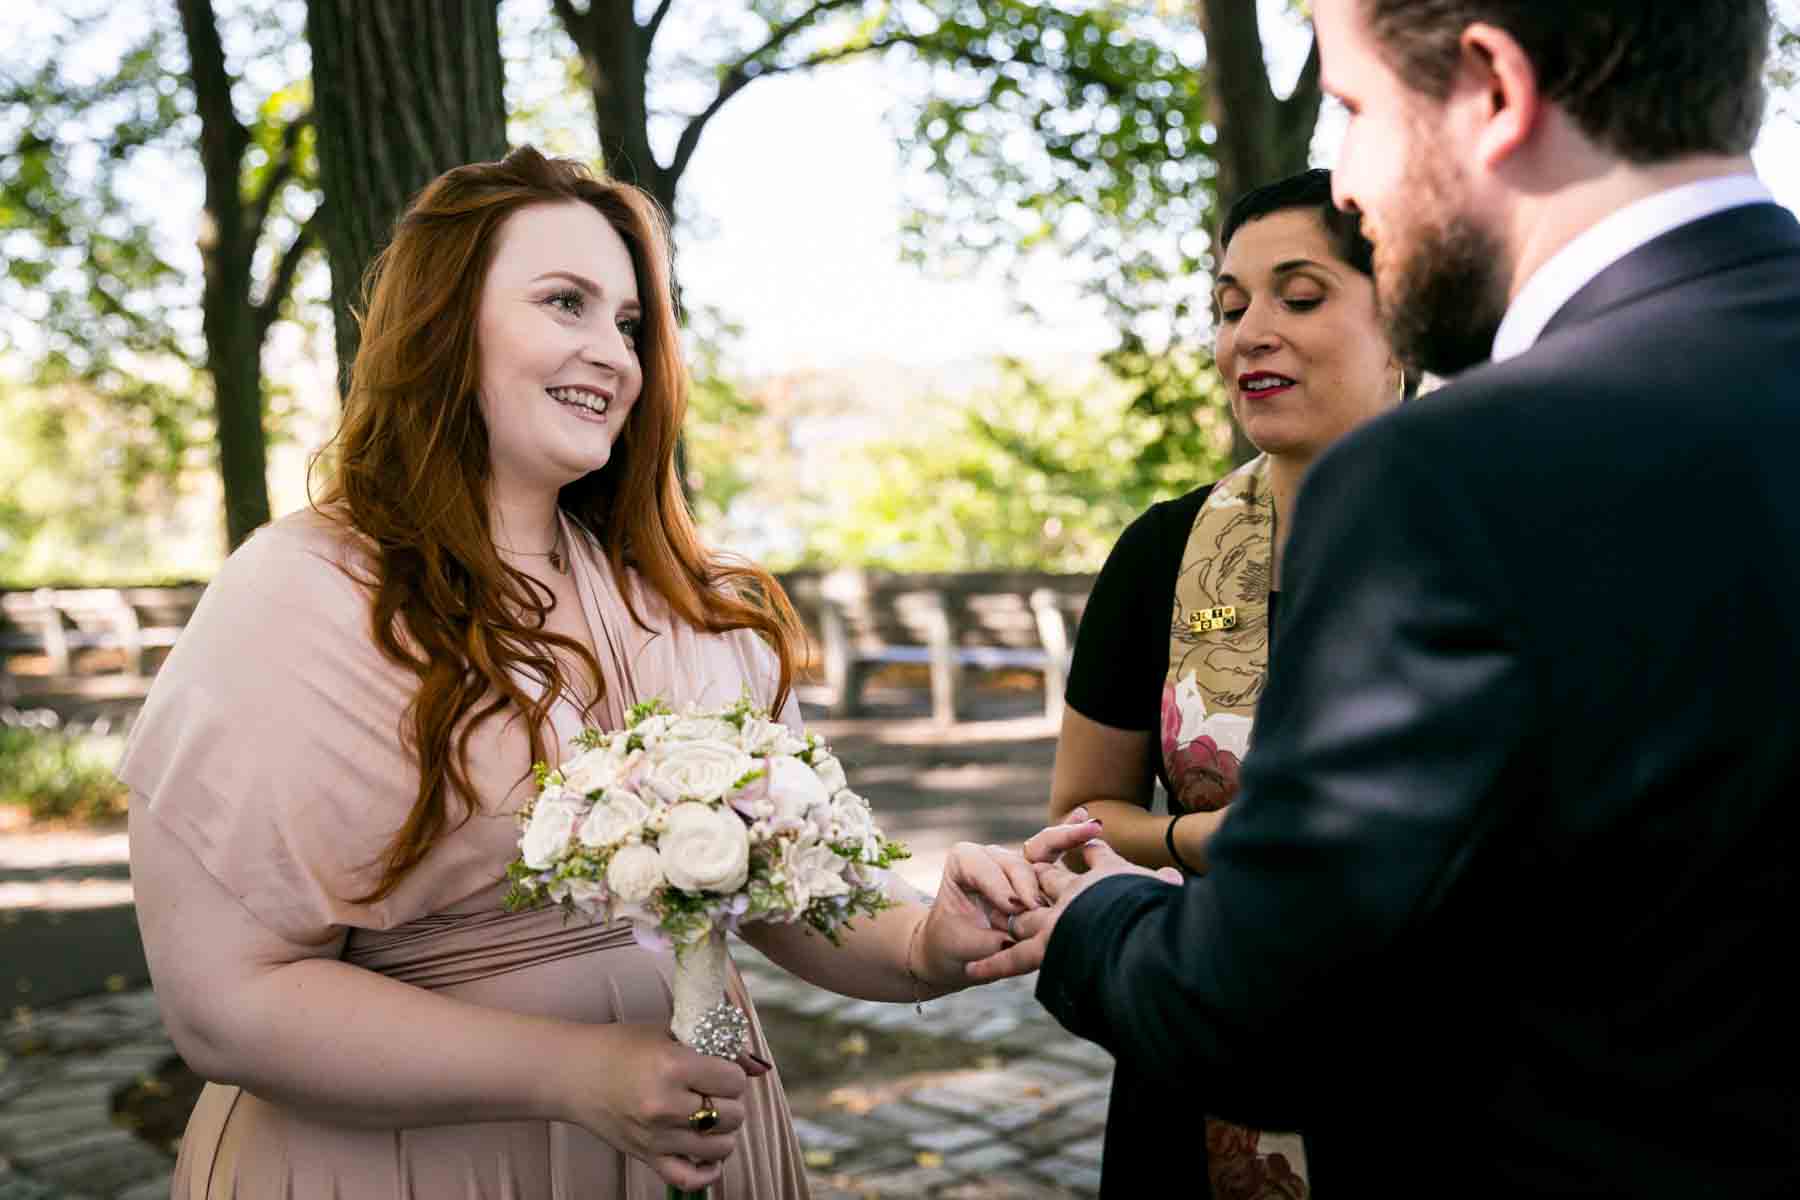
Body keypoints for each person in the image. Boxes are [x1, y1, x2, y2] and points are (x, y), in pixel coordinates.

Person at [122, 146, 1072, 1199]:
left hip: (690, 1148)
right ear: (443, 324)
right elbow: (226, 1003)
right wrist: (577, 1073)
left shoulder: (680, 600)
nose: (614, 354)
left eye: (628, 323)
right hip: (414, 1167)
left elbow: (785, 894)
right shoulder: (300, 596)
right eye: (564, 303)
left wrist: (930, 939)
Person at [1002, 0, 1800, 1194]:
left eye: (1356, 110)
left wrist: (1087, 919)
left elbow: (1261, 1011)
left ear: (1492, 88)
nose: (1356, 181)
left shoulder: (1455, 478)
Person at [1047, 167, 1405, 1198]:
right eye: (1229, 305)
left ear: (1406, 322)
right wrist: (1187, 842)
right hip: (1194, 1057)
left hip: (1434, 1070)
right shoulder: (1166, 553)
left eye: (1299, 296)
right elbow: (1078, 824)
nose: (1250, 331)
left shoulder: (1483, 543)